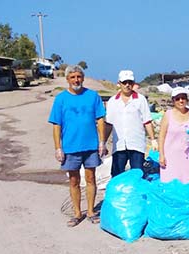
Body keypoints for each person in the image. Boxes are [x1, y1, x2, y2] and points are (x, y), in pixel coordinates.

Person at [48, 65, 107, 227]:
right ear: (67, 79)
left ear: (83, 78)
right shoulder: (61, 99)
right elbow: (56, 125)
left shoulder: (93, 96)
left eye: (79, 77)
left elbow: (101, 119)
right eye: (73, 77)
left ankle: (90, 211)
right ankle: (76, 213)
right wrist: (58, 147)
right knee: (74, 180)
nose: (76, 80)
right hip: (70, 146)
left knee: (90, 178)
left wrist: (102, 142)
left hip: (90, 146)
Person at [104, 70, 157, 178]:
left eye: (130, 82)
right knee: (117, 174)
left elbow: (147, 121)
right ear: (119, 83)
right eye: (125, 82)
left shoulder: (141, 100)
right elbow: (109, 124)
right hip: (119, 145)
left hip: (136, 143)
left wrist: (153, 139)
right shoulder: (113, 101)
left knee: (137, 174)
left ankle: (136, 194)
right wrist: (103, 142)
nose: (127, 85)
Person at [158, 86, 189, 184]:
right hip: (170, 157)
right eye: (177, 99)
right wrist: (161, 155)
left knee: (188, 182)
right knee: (169, 183)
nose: (181, 101)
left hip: (188, 157)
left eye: (183, 98)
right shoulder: (168, 114)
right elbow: (161, 136)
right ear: (173, 100)